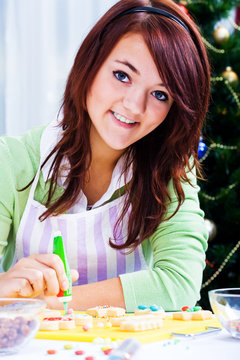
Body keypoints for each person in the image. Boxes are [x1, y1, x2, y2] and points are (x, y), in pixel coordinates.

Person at [0, 0, 210, 313]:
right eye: (122, 75)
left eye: (160, 94)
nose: (134, 106)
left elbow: (180, 283)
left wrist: (50, 303)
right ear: (91, 64)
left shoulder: (172, 172)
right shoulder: (14, 160)